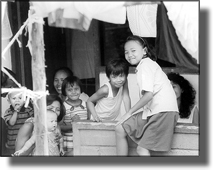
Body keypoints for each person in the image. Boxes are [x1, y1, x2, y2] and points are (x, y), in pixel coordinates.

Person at [115, 35, 179, 156]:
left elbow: (148, 95)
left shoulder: (145, 65)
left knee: (141, 150)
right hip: (153, 111)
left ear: (144, 51)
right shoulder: (144, 65)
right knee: (120, 128)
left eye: (133, 51)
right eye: (126, 52)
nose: (129, 55)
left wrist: (129, 113)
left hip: (162, 112)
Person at [60, 76, 88, 155]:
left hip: (83, 138)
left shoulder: (86, 104)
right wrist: (74, 125)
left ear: (80, 89)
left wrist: (80, 123)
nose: (73, 92)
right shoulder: (64, 106)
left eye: (76, 89)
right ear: (65, 92)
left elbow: (90, 121)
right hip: (69, 140)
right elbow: (60, 126)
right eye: (69, 90)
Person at [3, 91, 34, 155]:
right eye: (14, 98)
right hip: (12, 144)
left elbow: (33, 121)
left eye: (20, 98)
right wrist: (15, 112)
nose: (17, 101)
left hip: (25, 143)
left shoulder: (28, 110)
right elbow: (11, 123)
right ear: (9, 101)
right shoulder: (8, 112)